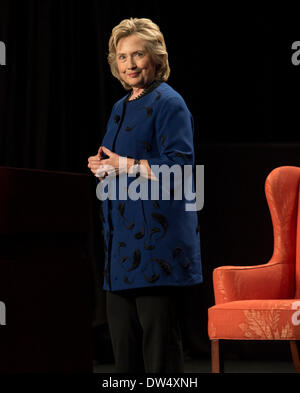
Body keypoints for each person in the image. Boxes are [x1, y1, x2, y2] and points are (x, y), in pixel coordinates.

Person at [88, 17, 202, 373]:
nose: (130, 64)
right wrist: (103, 166)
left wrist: (125, 164)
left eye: (138, 54)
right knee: (125, 358)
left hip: (158, 249)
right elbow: (120, 164)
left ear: (156, 58)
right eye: (122, 57)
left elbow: (181, 171)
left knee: (159, 359)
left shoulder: (170, 103)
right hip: (121, 251)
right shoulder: (120, 107)